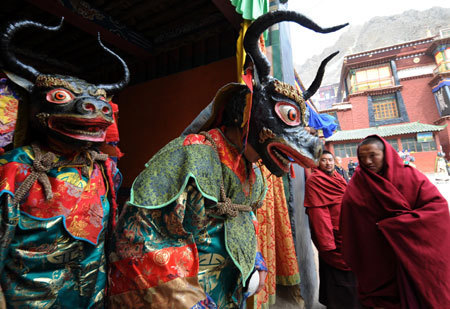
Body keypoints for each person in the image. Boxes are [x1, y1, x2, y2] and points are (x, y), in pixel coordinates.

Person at [108, 10, 347, 309]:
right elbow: (138, 236)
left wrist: (252, 261)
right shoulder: (191, 153)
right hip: (182, 294)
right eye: (288, 117)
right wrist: (187, 299)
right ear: (250, 110)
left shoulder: (254, 173)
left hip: (228, 292)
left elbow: (244, 223)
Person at [0, 19, 129, 307]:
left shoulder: (103, 167)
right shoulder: (14, 168)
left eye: (101, 104)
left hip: (91, 295)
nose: (94, 110)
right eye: (60, 97)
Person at [341, 135, 450, 308]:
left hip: (412, 254)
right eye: (362, 157)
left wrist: (395, 226)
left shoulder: (409, 175)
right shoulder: (357, 184)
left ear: (386, 154)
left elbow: (438, 208)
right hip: (379, 260)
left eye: (373, 155)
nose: (367, 161)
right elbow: (350, 220)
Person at [304, 150, 360, 309]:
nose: (328, 163)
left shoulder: (338, 177)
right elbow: (318, 214)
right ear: (317, 163)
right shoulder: (314, 181)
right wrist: (327, 243)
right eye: (323, 160)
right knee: (336, 272)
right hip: (331, 235)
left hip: (346, 230)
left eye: (330, 160)